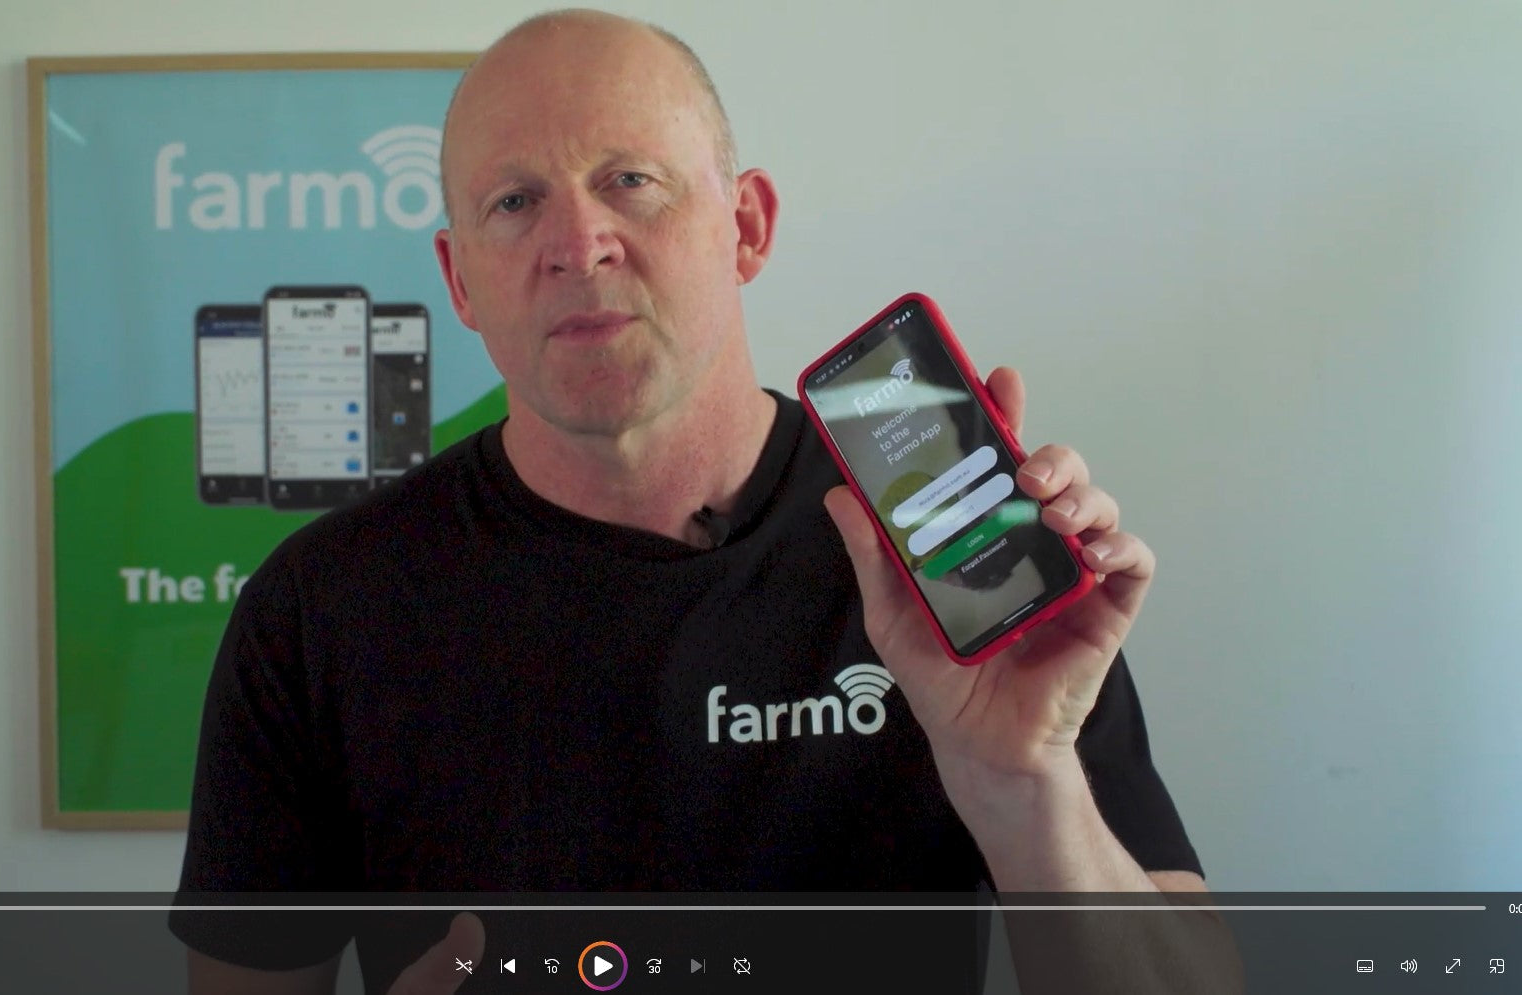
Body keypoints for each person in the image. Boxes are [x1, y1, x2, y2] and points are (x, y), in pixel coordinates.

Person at [172, 9, 1233, 994]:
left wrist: (1025, 781)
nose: (577, 243)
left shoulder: (944, 547)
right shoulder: (318, 609)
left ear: (747, 224)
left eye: (629, 179)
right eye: (514, 202)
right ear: (459, 281)